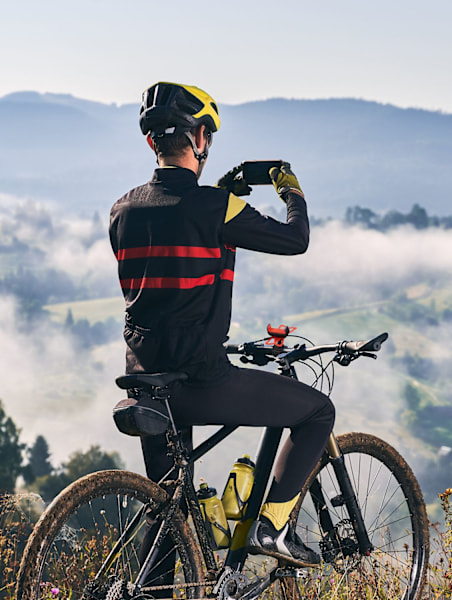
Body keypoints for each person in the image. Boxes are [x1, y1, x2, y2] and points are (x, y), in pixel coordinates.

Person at [109, 81, 335, 567]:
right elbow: (295, 240)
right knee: (318, 412)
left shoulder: (121, 210)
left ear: (152, 142)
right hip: (198, 380)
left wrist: (219, 199)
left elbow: (167, 276)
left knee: (169, 510)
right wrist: (288, 186)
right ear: (201, 140)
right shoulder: (217, 208)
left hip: (144, 381)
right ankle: (273, 528)